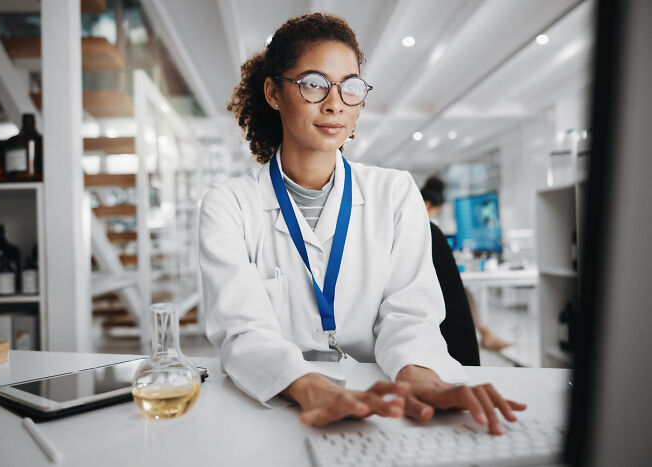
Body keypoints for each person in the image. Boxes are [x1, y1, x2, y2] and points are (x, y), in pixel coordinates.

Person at [199, 12, 525, 435]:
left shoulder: (394, 193)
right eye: (313, 83)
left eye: (350, 87)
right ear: (274, 93)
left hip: (384, 405)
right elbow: (243, 332)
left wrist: (421, 379)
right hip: (279, 407)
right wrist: (314, 389)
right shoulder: (230, 204)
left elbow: (409, 316)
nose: (335, 103)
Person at [420, 176, 511, 352]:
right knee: (462, 292)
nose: (434, 216)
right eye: (435, 212)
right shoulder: (424, 227)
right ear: (428, 204)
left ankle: (486, 334)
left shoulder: (422, 226)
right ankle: (486, 334)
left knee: (464, 292)